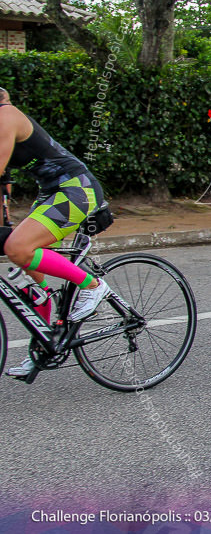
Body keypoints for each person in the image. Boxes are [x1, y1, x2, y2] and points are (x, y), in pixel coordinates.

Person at [0, 88, 110, 379]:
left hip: (76, 188)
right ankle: (45, 341)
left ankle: (93, 286)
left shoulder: (5, 116)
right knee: (24, 257)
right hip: (52, 191)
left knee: (18, 248)